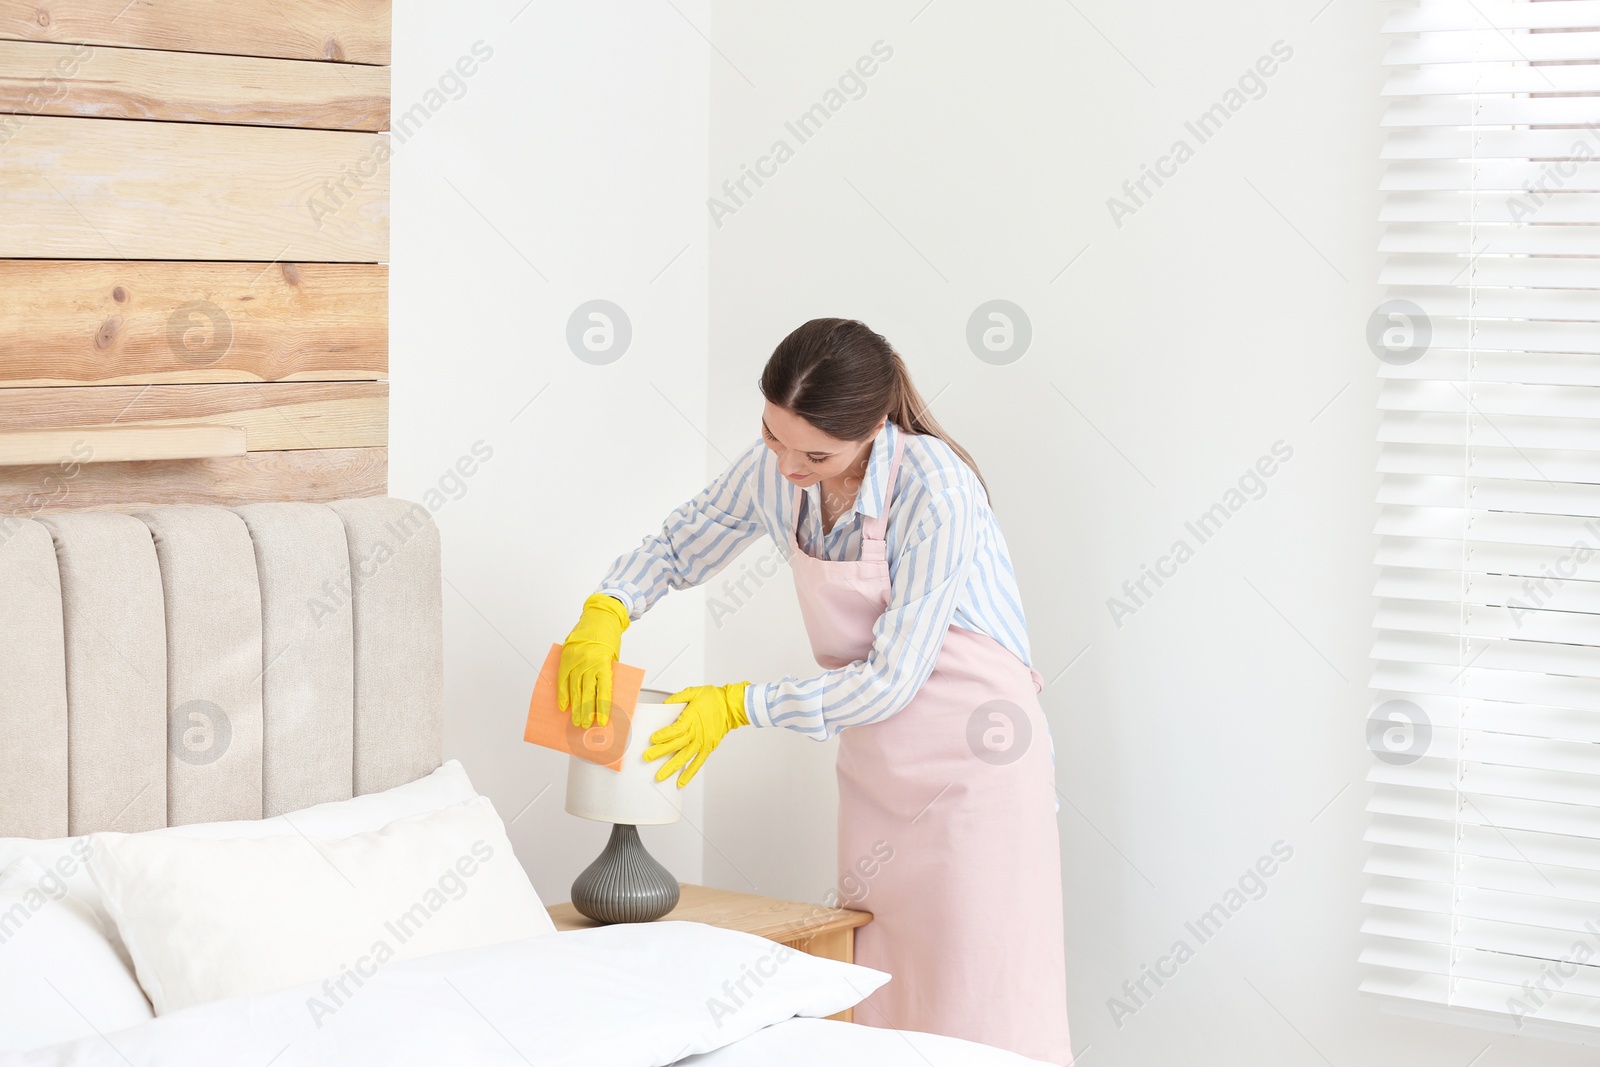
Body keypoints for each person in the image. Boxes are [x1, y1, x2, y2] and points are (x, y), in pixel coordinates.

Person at [556, 317, 1072, 1065]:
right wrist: (608, 608)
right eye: (772, 437)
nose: (789, 465)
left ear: (870, 429)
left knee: (979, 989)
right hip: (878, 760)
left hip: (977, 763)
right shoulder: (779, 466)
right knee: (879, 985)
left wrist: (737, 705)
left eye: (815, 453)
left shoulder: (935, 486)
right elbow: (681, 541)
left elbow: (894, 678)